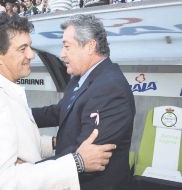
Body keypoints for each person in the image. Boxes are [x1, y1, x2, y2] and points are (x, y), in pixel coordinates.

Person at [0, 13, 116, 190]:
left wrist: (55, 143)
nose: (31, 54)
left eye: (30, 47)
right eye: (22, 48)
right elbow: (2, 182)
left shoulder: (3, 92)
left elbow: (24, 144)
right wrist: (77, 162)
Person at [32, 14, 136, 190]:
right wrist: (19, 113)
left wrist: (27, 172)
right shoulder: (80, 77)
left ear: (90, 46)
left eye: (67, 46)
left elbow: (86, 156)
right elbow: (61, 111)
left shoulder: (110, 88)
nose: (61, 54)